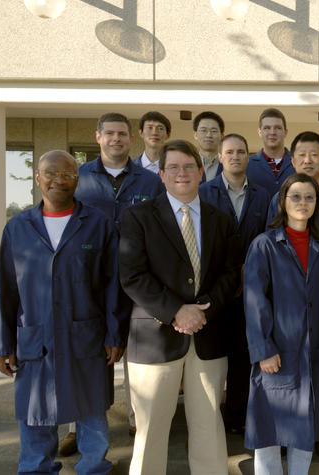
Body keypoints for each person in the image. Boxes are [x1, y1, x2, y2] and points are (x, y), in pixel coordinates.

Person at [0, 150, 128, 474]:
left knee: (91, 407)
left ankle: (94, 466)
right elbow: (7, 290)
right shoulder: (18, 228)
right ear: (37, 178)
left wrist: (114, 333)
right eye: (50, 173)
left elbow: (113, 285)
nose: (58, 180)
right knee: (35, 410)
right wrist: (2, 343)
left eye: (67, 174)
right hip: (35, 335)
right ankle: (35, 467)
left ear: (77, 180)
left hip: (87, 335)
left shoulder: (98, 225)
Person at [119, 139, 241, 475]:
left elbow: (232, 273)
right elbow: (132, 276)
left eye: (189, 166)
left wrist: (204, 310)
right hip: (156, 339)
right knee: (151, 430)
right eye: (173, 167)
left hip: (208, 336)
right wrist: (177, 311)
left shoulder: (220, 219)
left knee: (208, 427)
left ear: (201, 172)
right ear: (160, 174)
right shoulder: (138, 217)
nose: (181, 173)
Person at [67, 111, 163, 454]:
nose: (116, 139)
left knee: (135, 355)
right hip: (90, 281)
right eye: (109, 133)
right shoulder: (79, 179)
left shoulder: (150, 182)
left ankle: (138, 421)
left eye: (122, 134)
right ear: (98, 137)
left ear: (131, 138)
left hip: (137, 279)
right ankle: (78, 426)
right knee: (89, 356)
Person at [243, 173, 319, 474]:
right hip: (276, 351)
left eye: (309, 197)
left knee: (304, 430)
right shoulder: (264, 245)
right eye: (295, 196)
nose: (303, 203)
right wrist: (263, 348)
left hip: (312, 353)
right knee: (268, 428)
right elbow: (255, 301)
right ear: (282, 201)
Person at [199, 133, 271, 434]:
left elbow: (268, 238)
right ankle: (209, 420)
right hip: (215, 287)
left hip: (252, 288)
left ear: (248, 156)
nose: (235, 157)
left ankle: (237, 417)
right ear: (220, 156)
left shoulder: (264, 195)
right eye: (229, 152)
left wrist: (248, 273)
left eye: (241, 152)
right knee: (214, 358)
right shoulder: (204, 192)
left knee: (244, 355)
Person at [246, 108, 294, 195]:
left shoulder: (298, 163)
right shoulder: (247, 164)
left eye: (278, 128)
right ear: (260, 132)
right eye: (267, 128)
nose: (272, 132)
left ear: (285, 132)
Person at [193, 110, 226, 182]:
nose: (208, 135)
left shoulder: (229, 163)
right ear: (195, 135)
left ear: (222, 136)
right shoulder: (187, 163)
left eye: (214, 131)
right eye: (203, 130)